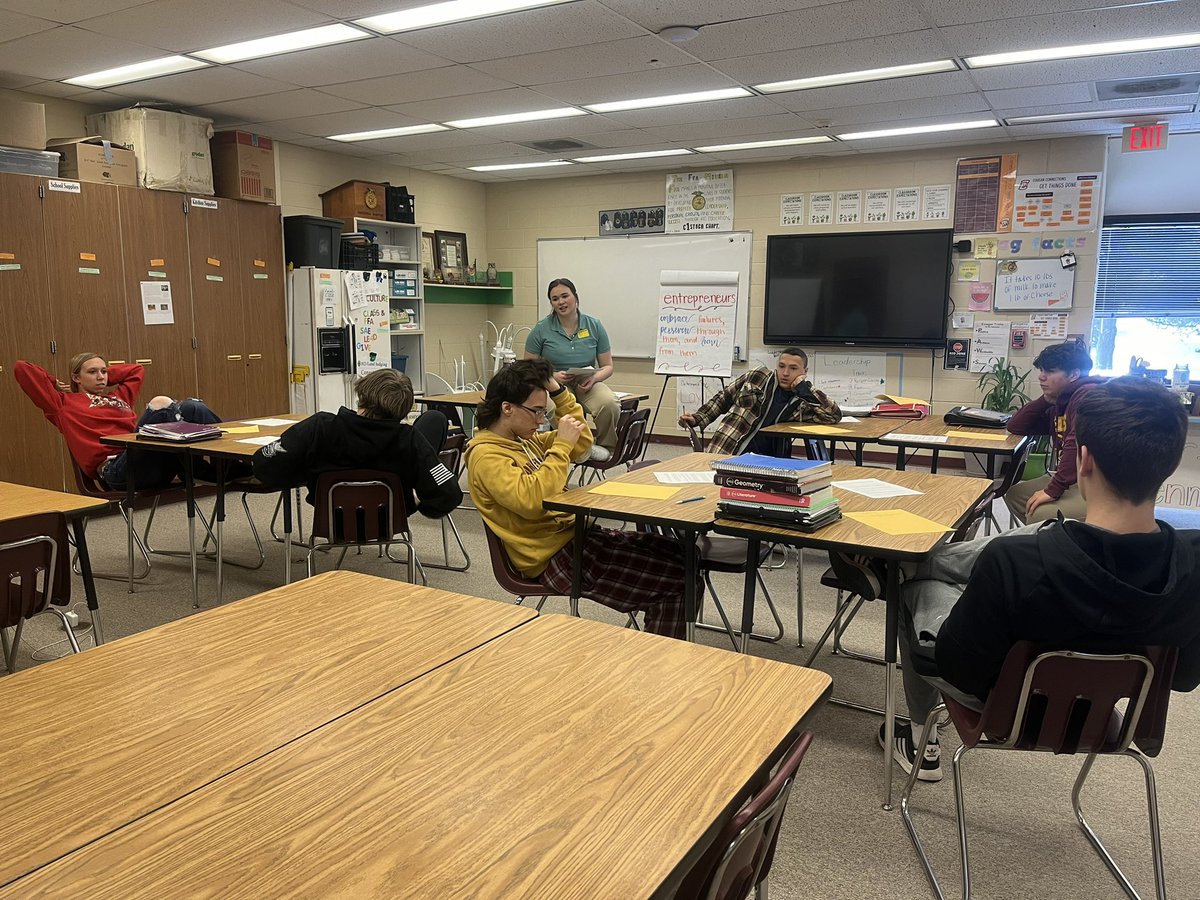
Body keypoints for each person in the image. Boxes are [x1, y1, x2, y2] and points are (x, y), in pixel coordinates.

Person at [880, 377, 1200, 782]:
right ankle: (922, 562)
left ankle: (908, 572)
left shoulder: (1017, 562)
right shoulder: (1193, 562)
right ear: (1170, 464)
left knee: (917, 589)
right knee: (1038, 535)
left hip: (1004, 708)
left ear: (1084, 462)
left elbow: (956, 669)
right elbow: (1185, 676)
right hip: (1103, 713)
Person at [466, 359, 690, 639]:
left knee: (683, 555)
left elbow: (582, 445)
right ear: (507, 408)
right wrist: (560, 445)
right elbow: (534, 502)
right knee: (679, 580)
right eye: (535, 411)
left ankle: (671, 647)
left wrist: (559, 393)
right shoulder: (486, 455)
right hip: (554, 557)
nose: (540, 420)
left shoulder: (523, 439)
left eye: (542, 411)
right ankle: (662, 663)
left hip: (577, 536)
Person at [252, 368, 461, 519]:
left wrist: (306, 474)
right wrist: (415, 501)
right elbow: (449, 495)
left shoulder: (320, 427)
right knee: (434, 420)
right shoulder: (410, 439)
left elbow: (264, 464)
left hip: (331, 518)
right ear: (404, 408)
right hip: (391, 519)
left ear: (362, 394)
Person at [15, 353, 224, 490]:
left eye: (103, 372)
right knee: (162, 404)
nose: (101, 377)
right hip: (118, 470)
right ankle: (203, 471)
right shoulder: (62, 404)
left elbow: (136, 370)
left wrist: (104, 374)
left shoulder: (119, 397)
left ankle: (225, 465)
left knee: (192, 406)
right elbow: (22, 368)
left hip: (152, 463)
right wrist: (53, 382)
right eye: (92, 372)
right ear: (76, 378)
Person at [1004, 341, 1106, 523]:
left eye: (1049, 371)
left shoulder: (1088, 395)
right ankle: (1064, 538)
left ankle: (1071, 541)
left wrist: (1053, 489)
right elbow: (1016, 427)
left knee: (1040, 514)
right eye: (1041, 370)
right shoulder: (1063, 399)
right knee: (1016, 495)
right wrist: (1046, 399)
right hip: (1075, 480)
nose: (1041, 377)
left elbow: (1076, 443)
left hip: (1101, 486)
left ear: (1074, 374)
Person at [677, 348, 841, 456]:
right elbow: (723, 398)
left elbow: (833, 415)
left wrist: (805, 388)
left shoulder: (802, 402)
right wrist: (698, 418)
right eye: (781, 366)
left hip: (767, 460)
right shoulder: (758, 376)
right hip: (728, 448)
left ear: (804, 372)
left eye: (793, 368)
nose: (785, 373)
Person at [524, 277, 618, 462]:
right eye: (555, 298)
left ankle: (606, 448)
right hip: (553, 384)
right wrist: (553, 377)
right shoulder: (541, 329)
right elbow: (527, 367)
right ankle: (578, 449)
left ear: (575, 297)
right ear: (551, 303)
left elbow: (608, 366)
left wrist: (595, 378)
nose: (561, 302)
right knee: (552, 409)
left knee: (609, 403)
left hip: (586, 382)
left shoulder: (594, 325)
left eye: (565, 296)